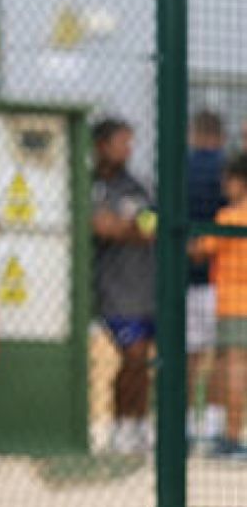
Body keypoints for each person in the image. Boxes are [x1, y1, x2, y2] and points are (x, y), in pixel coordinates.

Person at [91, 117, 157, 454]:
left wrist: (126, 228)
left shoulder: (138, 185)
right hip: (115, 291)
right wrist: (129, 228)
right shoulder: (91, 183)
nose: (128, 150)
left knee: (143, 360)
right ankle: (120, 424)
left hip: (145, 289)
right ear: (102, 145)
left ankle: (138, 424)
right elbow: (101, 226)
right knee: (132, 355)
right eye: (122, 142)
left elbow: (150, 225)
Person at [191, 154, 247, 458]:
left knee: (234, 367)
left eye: (229, 180)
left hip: (234, 301)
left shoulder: (230, 216)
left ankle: (231, 436)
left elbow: (201, 251)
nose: (225, 186)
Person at [186, 110, 227, 447]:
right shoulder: (226, 170)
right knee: (219, 354)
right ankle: (214, 426)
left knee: (189, 354)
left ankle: (186, 426)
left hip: (182, 275)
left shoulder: (179, 166)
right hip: (221, 277)